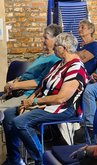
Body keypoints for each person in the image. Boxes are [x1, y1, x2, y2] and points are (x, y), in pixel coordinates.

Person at [2, 33, 88, 165]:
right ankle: (14, 159)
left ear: (64, 48)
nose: (54, 48)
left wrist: (35, 102)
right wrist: (29, 100)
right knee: (8, 114)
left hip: (63, 108)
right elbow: (41, 86)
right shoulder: (59, 64)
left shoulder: (76, 68)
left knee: (20, 122)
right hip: (45, 104)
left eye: (56, 46)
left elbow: (61, 98)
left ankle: (41, 161)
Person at [0, 24, 62, 117]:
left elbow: (39, 82)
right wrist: (12, 82)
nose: (42, 40)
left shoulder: (54, 60)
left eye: (46, 38)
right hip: (17, 90)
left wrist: (14, 85)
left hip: (28, 94)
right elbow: (28, 74)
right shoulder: (42, 56)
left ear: (55, 40)